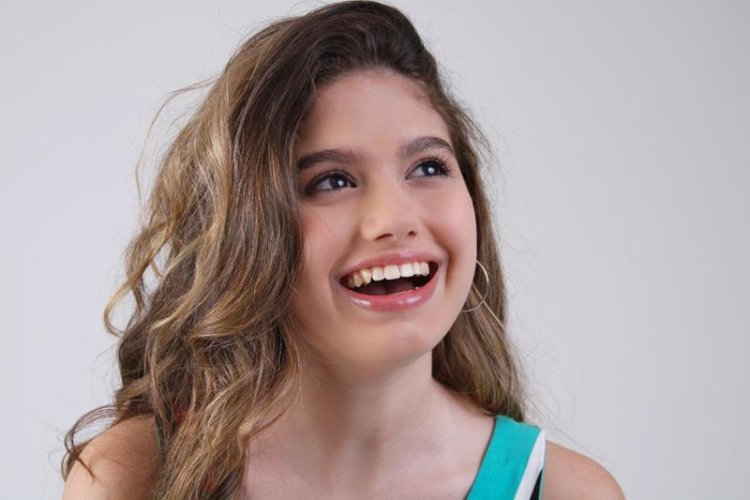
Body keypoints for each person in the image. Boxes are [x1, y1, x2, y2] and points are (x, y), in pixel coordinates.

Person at [62, 2, 624, 498]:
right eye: (332, 181)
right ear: (246, 233)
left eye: (428, 167)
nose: (395, 219)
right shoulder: (132, 475)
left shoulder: (569, 493)